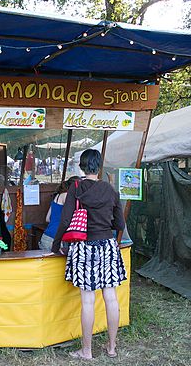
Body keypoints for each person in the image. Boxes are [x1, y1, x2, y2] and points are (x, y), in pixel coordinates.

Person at [52, 149, 126, 360]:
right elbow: (119, 224)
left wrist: (56, 245)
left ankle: (87, 351)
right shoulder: (111, 190)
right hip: (108, 246)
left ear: (82, 166)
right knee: (110, 297)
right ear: (99, 166)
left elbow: (65, 221)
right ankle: (111, 348)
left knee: (87, 300)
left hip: (84, 247)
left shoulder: (76, 187)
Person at [38, 176, 80, 251]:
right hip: (57, 240)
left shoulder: (57, 196)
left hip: (46, 237)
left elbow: (47, 219)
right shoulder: (67, 196)